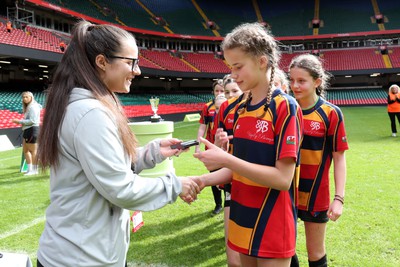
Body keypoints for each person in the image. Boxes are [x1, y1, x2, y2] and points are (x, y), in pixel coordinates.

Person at [35, 21, 199, 267]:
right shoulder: (90, 113)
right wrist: (175, 185)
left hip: (81, 254)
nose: (138, 71)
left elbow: (101, 167)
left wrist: (152, 153)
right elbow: (120, 188)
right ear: (102, 62)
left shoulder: (83, 106)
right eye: (131, 62)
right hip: (80, 259)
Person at [192, 22, 303, 267]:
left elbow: (283, 179)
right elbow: (240, 168)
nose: (233, 74)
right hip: (242, 215)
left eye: (238, 66)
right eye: (231, 67)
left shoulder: (285, 107)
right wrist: (202, 181)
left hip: (272, 220)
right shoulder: (237, 108)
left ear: (262, 61)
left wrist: (225, 158)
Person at [289, 54, 349, 267]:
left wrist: (339, 198)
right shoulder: (285, 110)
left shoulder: (330, 113)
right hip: (286, 192)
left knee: (315, 253)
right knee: (285, 250)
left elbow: (339, 158)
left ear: (317, 81)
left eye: (301, 81)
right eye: (292, 80)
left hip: (316, 194)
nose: (295, 85)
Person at [196, 79, 224, 215]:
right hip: (211, 148)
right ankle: (218, 205)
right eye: (217, 90)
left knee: (229, 177)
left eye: (222, 90)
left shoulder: (232, 107)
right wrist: (198, 145)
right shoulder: (207, 107)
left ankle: (230, 204)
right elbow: (202, 127)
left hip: (227, 149)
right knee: (214, 176)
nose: (219, 93)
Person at [12, 91, 42, 175]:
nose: (25, 98)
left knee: (33, 151)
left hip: (32, 130)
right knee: (25, 150)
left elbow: (33, 120)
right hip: (28, 130)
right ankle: (30, 169)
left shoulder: (33, 107)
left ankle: (35, 170)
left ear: (31, 97)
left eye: (27, 97)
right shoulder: (29, 106)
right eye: (23, 97)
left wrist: (19, 121)